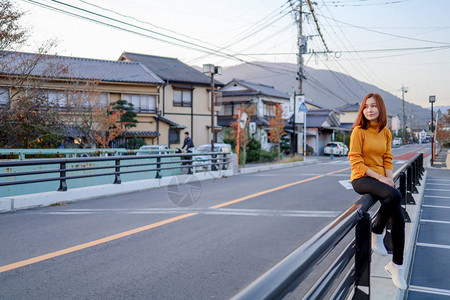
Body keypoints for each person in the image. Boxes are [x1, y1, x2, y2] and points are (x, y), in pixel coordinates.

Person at [349, 93, 407, 290]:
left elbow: (387, 158)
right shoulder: (359, 131)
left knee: (399, 219)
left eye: (373, 106)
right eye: (366, 107)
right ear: (362, 110)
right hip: (362, 178)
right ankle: (376, 231)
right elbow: (355, 160)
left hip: (381, 180)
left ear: (380, 108)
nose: (370, 110)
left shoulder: (386, 132)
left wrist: (389, 178)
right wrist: (381, 178)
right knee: (395, 195)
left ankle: (396, 266)